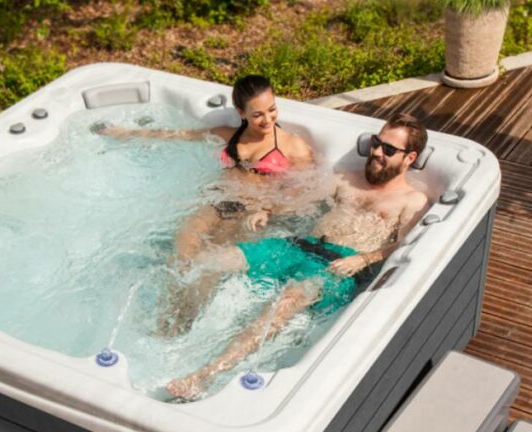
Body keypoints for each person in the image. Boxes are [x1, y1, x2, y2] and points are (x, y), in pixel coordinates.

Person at [166, 113, 431, 400]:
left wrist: (364, 260)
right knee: (212, 259)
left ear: (409, 158)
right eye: (377, 143)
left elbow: (404, 246)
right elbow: (302, 200)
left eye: (389, 149)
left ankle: (204, 376)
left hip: (339, 266)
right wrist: (267, 211)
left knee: (287, 301)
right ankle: (173, 327)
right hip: (297, 246)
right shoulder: (346, 179)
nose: (377, 152)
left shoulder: (411, 200)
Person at [99, 75, 316, 333]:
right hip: (217, 202)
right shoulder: (229, 136)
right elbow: (179, 135)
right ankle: (164, 314)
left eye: (272, 110)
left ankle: (182, 325)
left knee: (208, 266)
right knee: (182, 253)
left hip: (249, 213)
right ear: (241, 112)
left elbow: (305, 189)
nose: (268, 120)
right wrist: (127, 133)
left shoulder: (293, 145)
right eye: (257, 114)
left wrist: (267, 210)